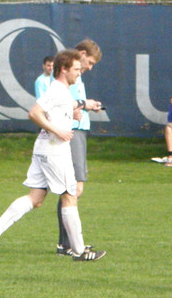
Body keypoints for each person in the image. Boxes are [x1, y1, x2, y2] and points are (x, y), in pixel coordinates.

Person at [0, 49, 105, 262]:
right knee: (70, 196)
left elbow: (62, 107)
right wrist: (57, 130)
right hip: (54, 150)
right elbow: (34, 113)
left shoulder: (62, 91)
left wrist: (83, 107)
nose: (79, 73)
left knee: (36, 198)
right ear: (64, 69)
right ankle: (79, 251)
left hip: (43, 148)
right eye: (76, 69)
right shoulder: (57, 89)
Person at [56, 39, 103, 256]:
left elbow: (74, 103)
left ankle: (67, 243)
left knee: (70, 189)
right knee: (73, 189)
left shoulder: (77, 75)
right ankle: (67, 244)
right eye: (90, 62)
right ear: (82, 54)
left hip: (78, 130)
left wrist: (87, 106)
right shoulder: (66, 75)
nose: (90, 68)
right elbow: (63, 103)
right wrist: (83, 106)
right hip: (72, 131)